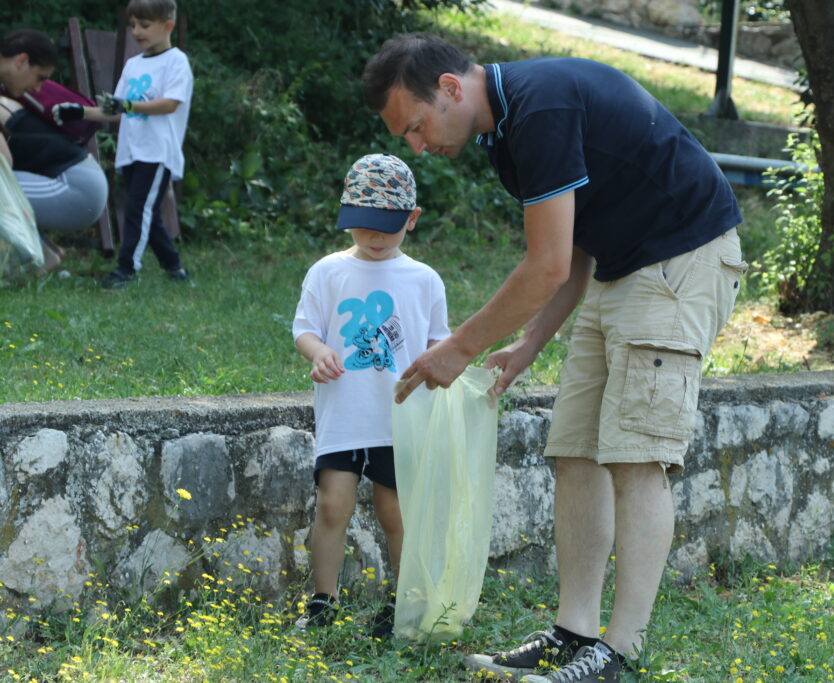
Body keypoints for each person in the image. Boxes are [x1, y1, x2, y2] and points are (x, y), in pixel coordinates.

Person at [363, 33, 747, 682]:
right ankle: (573, 633)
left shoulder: (539, 108)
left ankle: (619, 649)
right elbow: (569, 252)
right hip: (621, 267)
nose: (418, 146)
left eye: (418, 127)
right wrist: (525, 347)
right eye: (407, 136)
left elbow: (543, 265)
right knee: (575, 451)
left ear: (451, 89)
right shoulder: (505, 134)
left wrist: (461, 348)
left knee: (636, 455)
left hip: (682, 258)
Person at [290, 152, 450, 635]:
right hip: (344, 413)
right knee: (332, 505)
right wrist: (317, 353)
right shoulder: (327, 272)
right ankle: (323, 600)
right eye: (364, 225)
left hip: (399, 419)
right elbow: (305, 329)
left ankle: (403, 602)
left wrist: (439, 366)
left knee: (394, 511)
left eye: (387, 226)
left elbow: (439, 343)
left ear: (412, 219)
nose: (375, 238)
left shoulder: (424, 280)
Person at [54, 0, 192, 289]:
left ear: (167, 25)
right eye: (132, 25)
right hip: (131, 150)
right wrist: (79, 112)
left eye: (144, 25)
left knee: (137, 210)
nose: (136, 31)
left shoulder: (176, 61)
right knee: (145, 212)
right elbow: (115, 110)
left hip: (158, 151)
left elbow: (169, 104)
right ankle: (175, 268)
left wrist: (129, 104)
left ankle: (126, 269)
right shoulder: (133, 64)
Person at [0, 29, 107, 271]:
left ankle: (39, 256)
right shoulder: (6, 95)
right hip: (78, 181)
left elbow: (3, 163)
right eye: (40, 77)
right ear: (21, 61)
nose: (39, 89)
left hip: (77, 187)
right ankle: (48, 251)